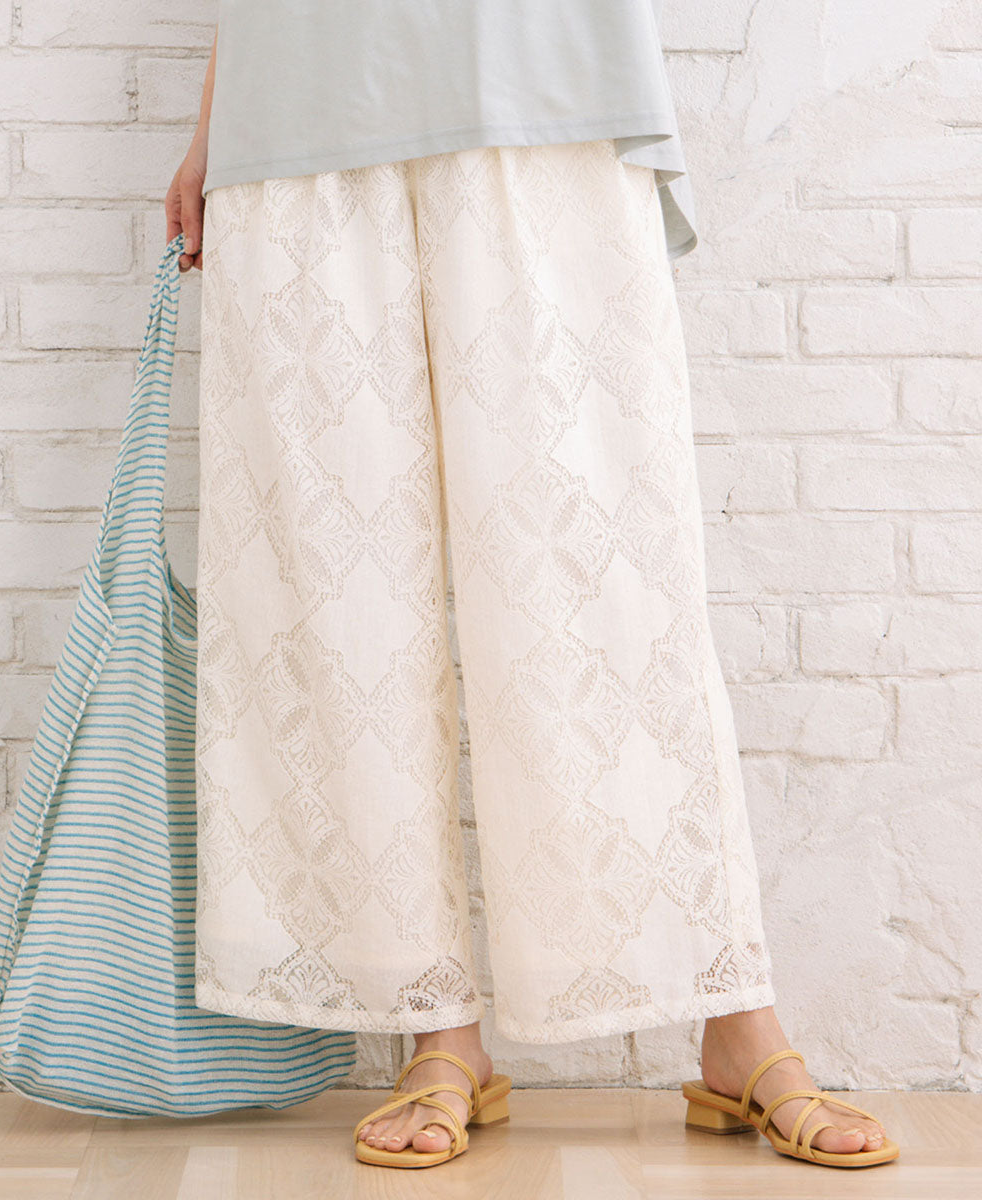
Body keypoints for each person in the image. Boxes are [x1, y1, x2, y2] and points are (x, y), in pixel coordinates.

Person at [166, 1, 897, 1172]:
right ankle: (438, 1034)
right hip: (294, 105)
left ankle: (735, 1016)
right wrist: (216, 120)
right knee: (337, 598)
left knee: (603, 581)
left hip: (545, 78)